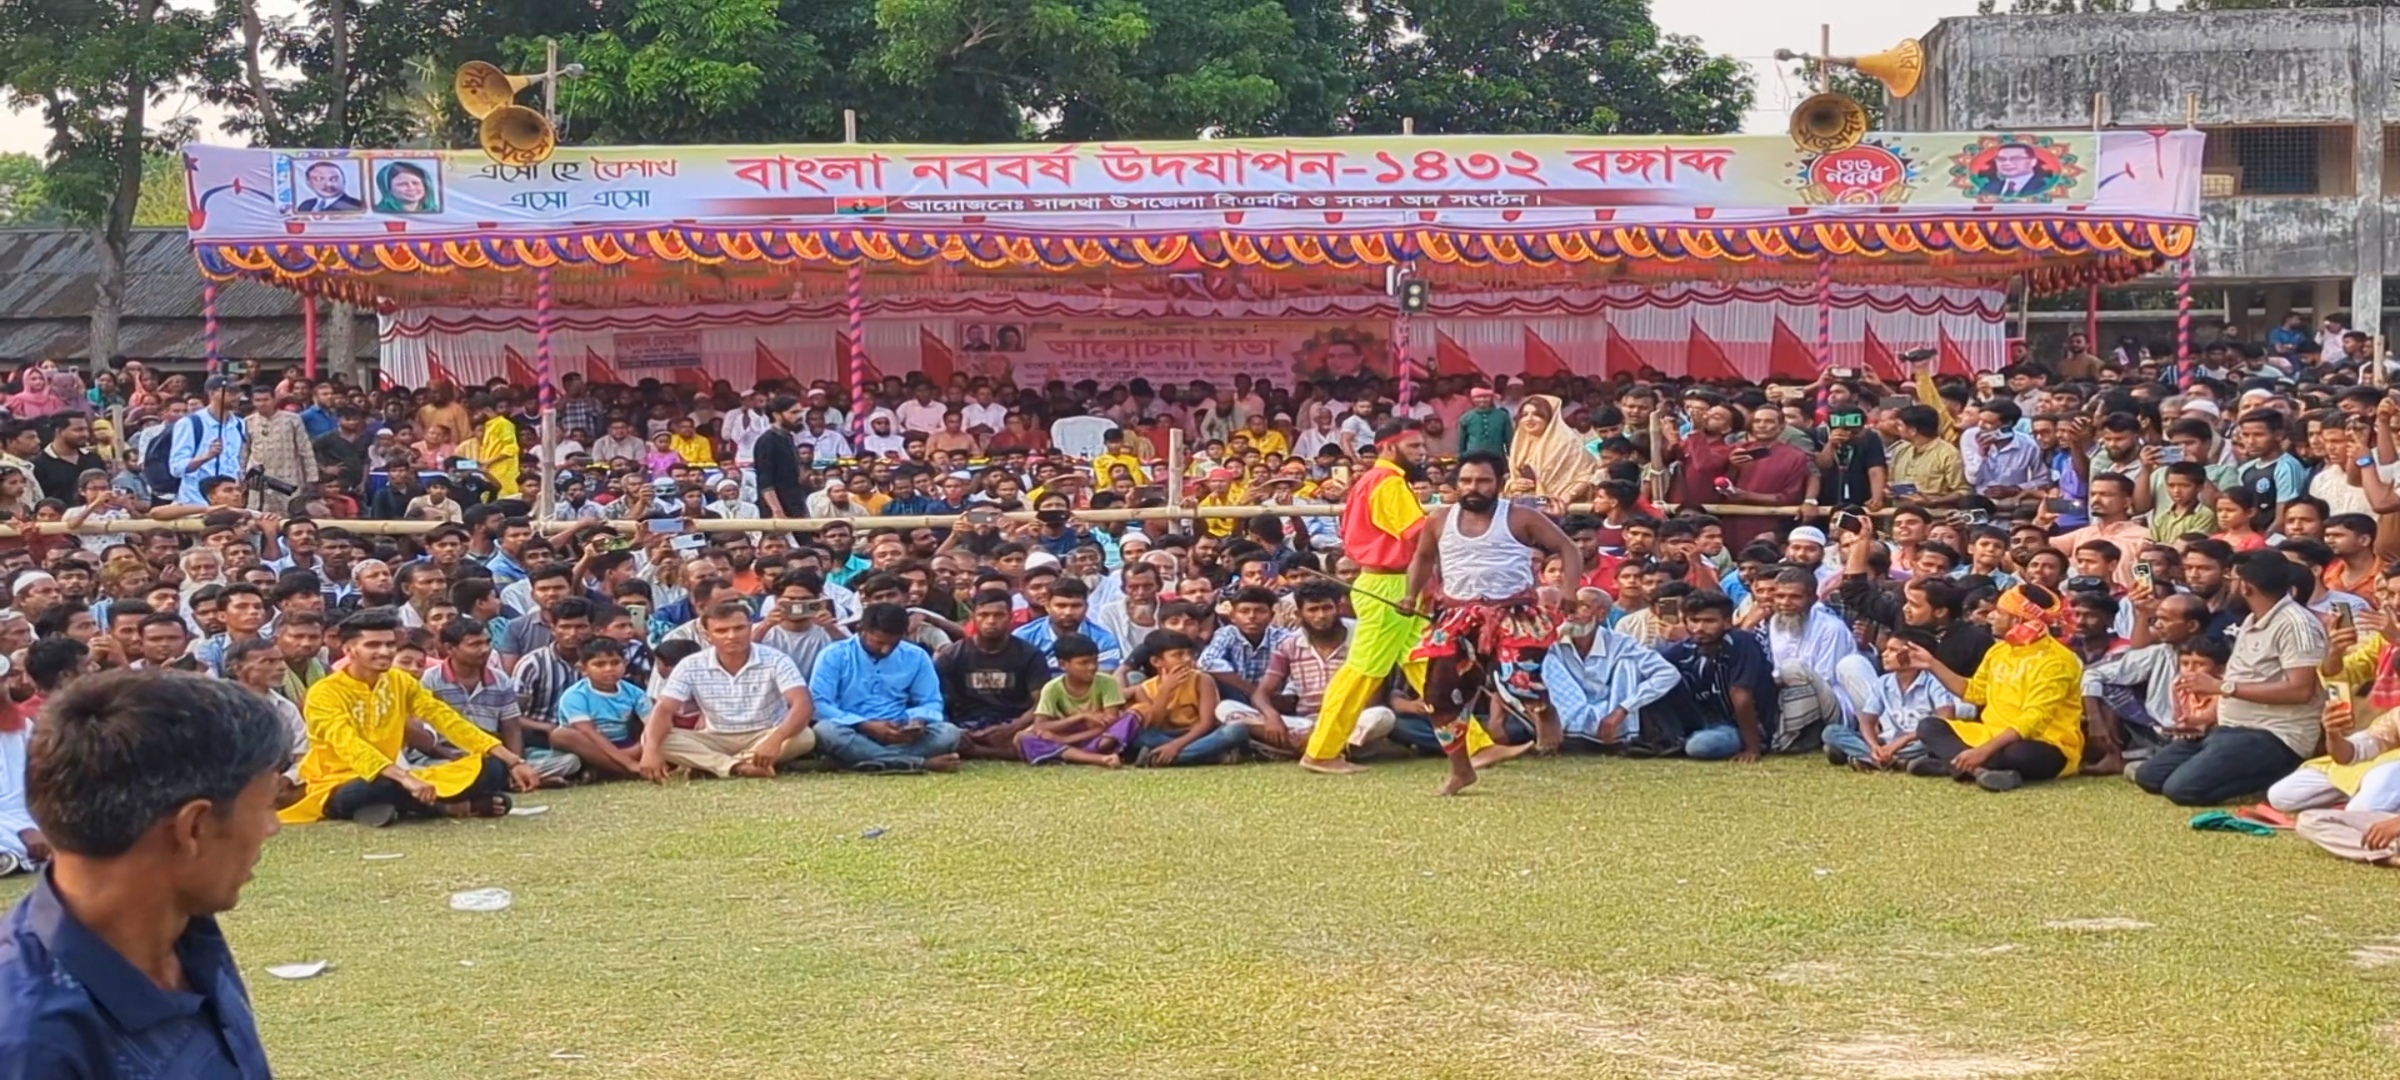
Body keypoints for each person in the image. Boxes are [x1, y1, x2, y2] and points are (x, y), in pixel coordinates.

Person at [0, 671, 286, 1079]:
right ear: (193, 828)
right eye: (265, 807)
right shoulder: (30, 1043)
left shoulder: (185, 929)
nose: (270, 828)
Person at [1402, 450, 1582, 795]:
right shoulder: (1439, 520)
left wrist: (1569, 589)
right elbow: (1423, 558)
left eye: (1483, 481)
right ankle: (1461, 771)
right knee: (1440, 697)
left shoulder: (1521, 517)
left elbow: (1567, 548)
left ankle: (1545, 712)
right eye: (1466, 480)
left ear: (1499, 484)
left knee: (1519, 682)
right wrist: (1411, 596)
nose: (1473, 487)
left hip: (1514, 614)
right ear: (1456, 484)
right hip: (1456, 616)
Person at [283, 610, 544, 825]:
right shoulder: (324, 692)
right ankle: (447, 808)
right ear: (349, 649)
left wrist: (513, 761)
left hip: (400, 774)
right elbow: (350, 745)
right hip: (341, 781)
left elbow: (446, 719)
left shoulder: (400, 681)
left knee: (492, 767)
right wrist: (405, 778)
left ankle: (410, 807)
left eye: (389, 644)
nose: (384, 651)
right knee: (374, 788)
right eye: (373, 645)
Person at [2139, 553, 2324, 806]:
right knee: (2149, 776)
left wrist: (2222, 687)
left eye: (2232, 578)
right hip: (2229, 728)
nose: (2229, 584)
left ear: (2247, 586)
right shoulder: (2251, 619)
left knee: (2181, 790)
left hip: (2274, 735)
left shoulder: (2297, 624)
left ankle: (2280, 773)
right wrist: (2206, 719)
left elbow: (2301, 691)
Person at [1301, 420, 1431, 774]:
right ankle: (1321, 751)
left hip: (1387, 582)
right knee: (1362, 671)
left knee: (1424, 662)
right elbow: (1420, 536)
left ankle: (1474, 744)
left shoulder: (1370, 481)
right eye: (1415, 446)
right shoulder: (1389, 483)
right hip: (1391, 584)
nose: (1423, 452)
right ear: (1390, 447)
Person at [1895, 584, 2085, 792]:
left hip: (2044, 743)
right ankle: (1980, 772)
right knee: (1929, 726)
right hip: (1991, 735)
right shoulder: (1999, 651)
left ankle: (1951, 763)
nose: (1991, 616)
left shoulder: (2057, 661)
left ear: (2017, 621)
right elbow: (1973, 693)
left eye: (2000, 612)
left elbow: (2033, 720)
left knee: (2020, 754)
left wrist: (1984, 750)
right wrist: (1930, 663)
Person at [638, 600, 818, 779]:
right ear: (707, 635)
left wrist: (775, 739)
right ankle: (739, 767)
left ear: (750, 628)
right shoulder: (690, 664)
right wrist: (650, 751)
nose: (731, 636)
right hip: (715, 737)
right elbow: (664, 709)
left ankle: (714, 766)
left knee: (804, 736)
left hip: (765, 732)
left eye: (739, 628)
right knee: (652, 739)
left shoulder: (776, 660)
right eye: (721, 631)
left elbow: (803, 704)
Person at [810, 603, 960, 773]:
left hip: (900, 732)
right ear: (861, 630)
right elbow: (819, 704)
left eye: (894, 643)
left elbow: (930, 701)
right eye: (878, 642)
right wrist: (865, 725)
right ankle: (917, 763)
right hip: (854, 730)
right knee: (825, 730)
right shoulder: (834, 655)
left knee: (949, 733)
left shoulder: (916, 656)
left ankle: (861, 760)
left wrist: (917, 722)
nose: (886, 649)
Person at [935, 589, 1050, 760]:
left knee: (1042, 731)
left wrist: (1011, 728)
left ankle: (978, 752)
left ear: (1010, 617)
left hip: (1015, 723)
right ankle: (1005, 753)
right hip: (967, 724)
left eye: (999, 615)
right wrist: (960, 731)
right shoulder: (951, 655)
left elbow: (1041, 704)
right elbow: (940, 702)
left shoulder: (1030, 655)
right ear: (973, 617)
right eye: (984, 615)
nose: (991, 621)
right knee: (942, 734)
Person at [1824, 628, 1956, 771]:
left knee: (1934, 742)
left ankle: (1865, 757)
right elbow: (1867, 722)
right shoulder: (1883, 683)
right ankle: (1888, 760)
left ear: (1915, 655)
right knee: (1831, 732)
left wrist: (1902, 741)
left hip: (1918, 742)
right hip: (1888, 741)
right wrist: (1874, 746)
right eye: (1886, 649)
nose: (1884, 654)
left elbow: (1945, 720)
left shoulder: (1934, 682)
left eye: (1893, 650)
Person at [1123, 630, 1250, 766]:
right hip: (1167, 735)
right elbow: (1155, 724)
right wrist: (1166, 690)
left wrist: (1175, 747)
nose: (1187, 659)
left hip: (1199, 734)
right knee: (1141, 737)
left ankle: (1163, 758)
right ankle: (1209, 755)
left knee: (1236, 730)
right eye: (1178, 655)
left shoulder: (1203, 680)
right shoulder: (1145, 688)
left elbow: (1207, 723)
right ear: (1156, 661)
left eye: (1190, 654)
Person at [1016, 634, 1137, 767]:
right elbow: (1041, 725)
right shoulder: (1052, 688)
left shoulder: (1107, 682)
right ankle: (1099, 759)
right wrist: (1081, 717)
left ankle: (1068, 755)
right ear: (1063, 664)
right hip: (1066, 735)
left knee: (1131, 717)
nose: (1092, 667)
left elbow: (1110, 723)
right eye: (1084, 663)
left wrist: (1067, 740)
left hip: (1097, 737)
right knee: (1025, 737)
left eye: (1095, 661)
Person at [555, 639, 653, 780]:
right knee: (561, 735)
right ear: (583, 669)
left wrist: (641, 747)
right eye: (599, 664)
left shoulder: (634, 692)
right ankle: (628, 772)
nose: (609, 669)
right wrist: (629, 762)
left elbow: (652, 725)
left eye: (615, 663)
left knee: (660, 731)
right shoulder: (575, 695)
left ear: (624, 663)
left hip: (625, 744)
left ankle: (606, 771)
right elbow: (588, 733)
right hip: (590, 748)